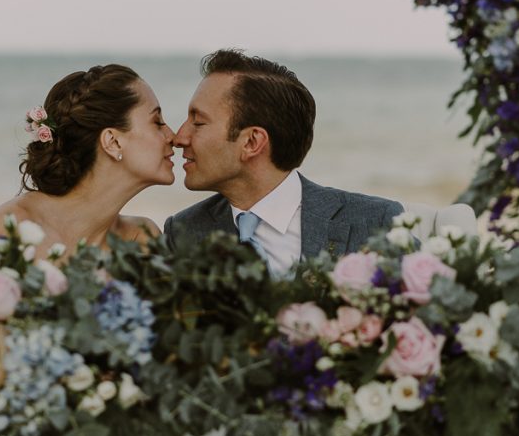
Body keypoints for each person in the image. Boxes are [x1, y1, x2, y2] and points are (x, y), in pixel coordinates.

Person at [164, 49, 402, 278]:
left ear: (252, 142)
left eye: (198, 122)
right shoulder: (183, 232)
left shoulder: (375, 222)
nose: (179, 137)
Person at [0, 64, 176, 258]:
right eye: (157, 122)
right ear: (112, 142)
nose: (173, 136)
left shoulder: (141, 239)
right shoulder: (12, 230)